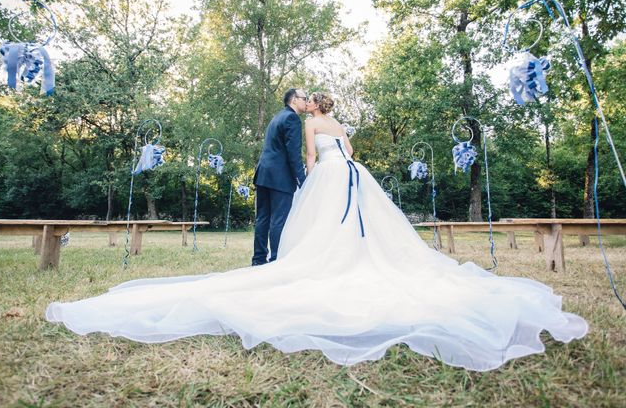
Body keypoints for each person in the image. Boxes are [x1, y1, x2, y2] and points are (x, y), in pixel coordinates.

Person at [45, 92, 588, 371]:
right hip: (354, 176)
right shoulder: (342, 128)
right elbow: (351, 155)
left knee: (319, 224)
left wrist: (312, 174)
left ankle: (310, 258)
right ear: (335, 109)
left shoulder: (308, 126)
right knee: (367, 228)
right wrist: (342, 160)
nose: (314, 107)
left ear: (315, 108)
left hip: (330, 177)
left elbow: (311, 157)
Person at [252, 88, 307, 265]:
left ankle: (259, 259)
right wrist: (302, 179)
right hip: (280, 177)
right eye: (304, 98)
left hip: (263, 174)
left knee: (263, 218)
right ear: (294, 100)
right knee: (278, 219)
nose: (306, 102)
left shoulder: (277, 117)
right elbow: (294, 153)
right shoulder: (292, 119)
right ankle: (276, 260)